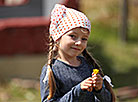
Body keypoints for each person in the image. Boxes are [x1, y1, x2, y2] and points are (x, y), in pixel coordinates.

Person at [40, 4, 115, 102]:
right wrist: (78, 91)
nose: (79, 42)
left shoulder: (88, 66)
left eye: (84, 39)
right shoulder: (52, 70)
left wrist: (100, 89)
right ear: (58, 38)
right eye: (73, 36)